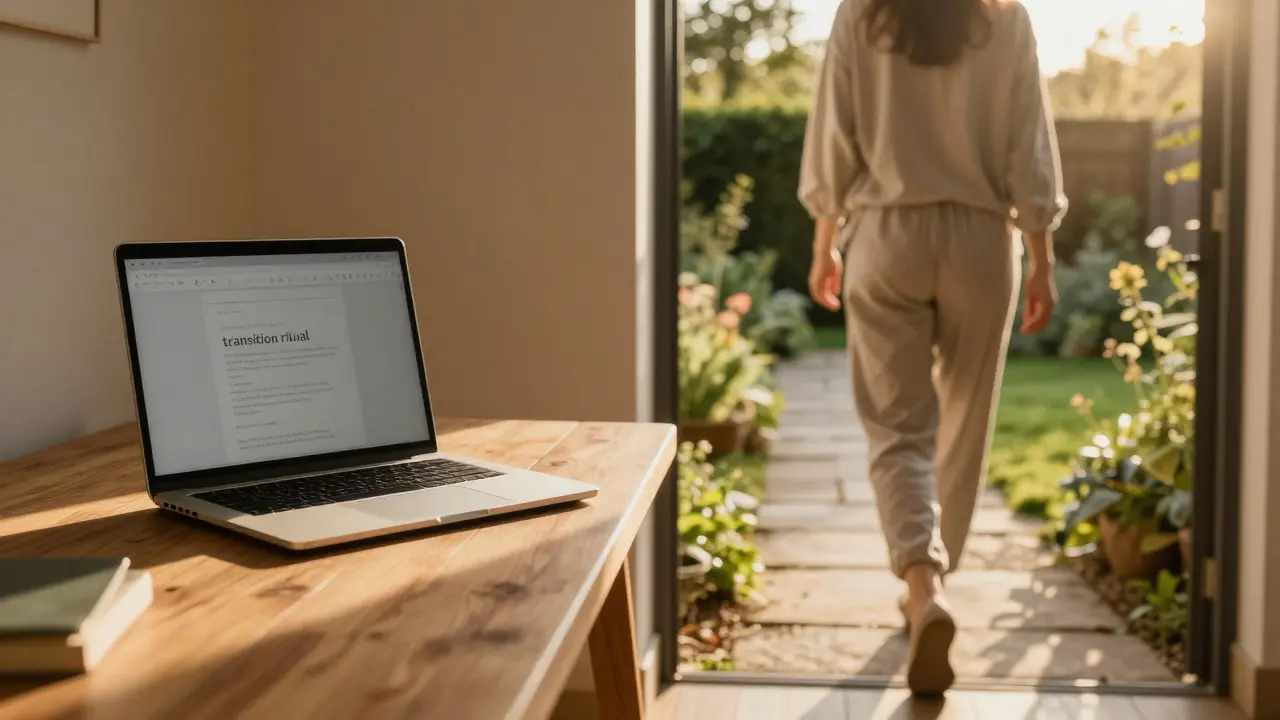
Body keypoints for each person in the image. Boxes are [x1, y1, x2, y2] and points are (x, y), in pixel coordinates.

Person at [797, 0, 1067, 696]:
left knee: (898, 429)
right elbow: (1027, 142)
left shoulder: (861, 14)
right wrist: (1042, 259)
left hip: (887, 236)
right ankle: (935, 584)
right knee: (965, 420)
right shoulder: (1006, 17)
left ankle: (923, 582)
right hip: (982, 240)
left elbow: (834, 133)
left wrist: (825, 245)